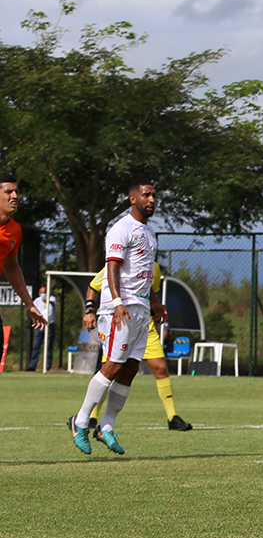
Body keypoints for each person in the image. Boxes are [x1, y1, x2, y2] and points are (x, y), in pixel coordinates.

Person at [68, 180, 165, 456]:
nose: (152, 199)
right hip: (118, 309)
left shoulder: (150, 232)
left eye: (154, 195)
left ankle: (107, 426)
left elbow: (146, 274)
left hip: (141, 308)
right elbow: (112, 267)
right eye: (146, 195)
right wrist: (119, 302)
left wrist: (156, 303)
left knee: (132, 367)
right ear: (132, 199)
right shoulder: (121, 228)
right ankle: (81, 420)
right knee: (113, 365)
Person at [82, 263, 192, 430]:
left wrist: (156, 306)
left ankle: (172, 417)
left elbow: (150, 291)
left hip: (144, 326)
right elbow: (93, 285)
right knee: (109, 370)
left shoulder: (153, 267)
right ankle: (91, 416)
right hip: (120, 324)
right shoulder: (119, 263)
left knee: (160, 368)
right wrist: (89, 309)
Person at [0, 173, 48, 349]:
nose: (15, 196)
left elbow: (12, 267)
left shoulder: (14, 230)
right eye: (8, 192)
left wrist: (30, 305)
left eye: (16, 191)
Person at [27, 283, 55, 370]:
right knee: (36, 345)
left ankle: (47, 366)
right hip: (40, 325)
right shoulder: (36, 301)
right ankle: (32, 365)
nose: (43, 294)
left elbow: (53, 304)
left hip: (49, 325)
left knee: (48, 345)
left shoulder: (52, 298)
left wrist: (47, 300)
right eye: (41, 292)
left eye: (45, 292)